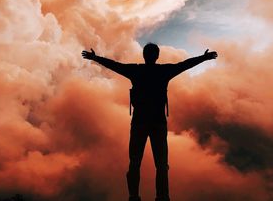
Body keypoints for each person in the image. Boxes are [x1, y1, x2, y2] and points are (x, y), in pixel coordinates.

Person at [82, 43, 218, 201]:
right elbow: (185, 65)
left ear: (144, 55)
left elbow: (115, 66)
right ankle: (162, 197)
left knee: (134, 163)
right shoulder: (163, 71)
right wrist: (204, 57)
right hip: (158, 123)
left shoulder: (136, 71)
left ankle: (133, 196)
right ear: (157, 56)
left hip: (139, 122)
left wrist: (95, 58)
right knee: (161, 165)